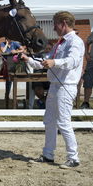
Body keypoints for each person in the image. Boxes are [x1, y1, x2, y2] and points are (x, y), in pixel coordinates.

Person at [21, 11, 84, 169]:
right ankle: (48, 154)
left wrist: (54, 62)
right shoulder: (60, 43)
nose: (54, 28)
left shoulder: (75, 41)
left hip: (66, 85)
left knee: (63, 122)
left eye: (55, 24)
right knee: (49, 121)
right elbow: (45, 60)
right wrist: (28, 59)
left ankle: (73, 157)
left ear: (63, 23)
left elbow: (74, 61)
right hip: (55, 85)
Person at [0, 37, 25, 106]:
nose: (9, 40)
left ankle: (13, 97)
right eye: (7, 39)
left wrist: (16, 51)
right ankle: (7, 95)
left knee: (14, 80)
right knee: (8, 81)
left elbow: (23, 49)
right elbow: (3, 51)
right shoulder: (2, 44)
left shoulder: (15, 43)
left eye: (10, 39)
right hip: (6, 64)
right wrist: (6, 44)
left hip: (14, 63)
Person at [31, 42, 53, 109]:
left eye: (50, 49)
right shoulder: (38, 55)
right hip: (39, 77)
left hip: (50, 78)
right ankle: (43, 101)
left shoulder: (54, 56)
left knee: (52, 91)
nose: (48, 50)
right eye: (46, 48)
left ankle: (43, 102)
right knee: (38, 90)